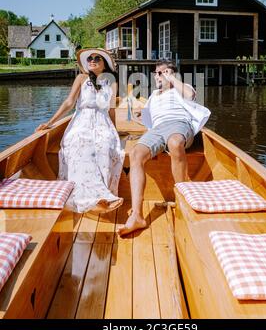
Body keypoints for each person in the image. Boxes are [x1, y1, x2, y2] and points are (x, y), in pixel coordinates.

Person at [117, 59, 211, 236]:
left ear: (172, 74)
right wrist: (138, 115)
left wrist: (173, 79)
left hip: (179, 125)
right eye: (156, 73)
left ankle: (182, 200)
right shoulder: (153, 96)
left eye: (162, 72)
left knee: (174, 143)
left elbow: (190, 96)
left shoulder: (181, 88)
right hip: (158, 129)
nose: (158, 75)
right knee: (136, 153)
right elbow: (148, 122)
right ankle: (137, 215)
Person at [36, 48, 124, 213]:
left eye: (97, 58)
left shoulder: (111, 82)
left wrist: (115, 131)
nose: (92, 60)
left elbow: (111, 110)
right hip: (81, 122)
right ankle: (86, 197)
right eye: (90, 58)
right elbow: (69, 103)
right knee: (80, 146)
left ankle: (101, 194)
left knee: (105, 147)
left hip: (103, 123)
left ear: (104, 64)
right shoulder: (81, 78)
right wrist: (50, 122)